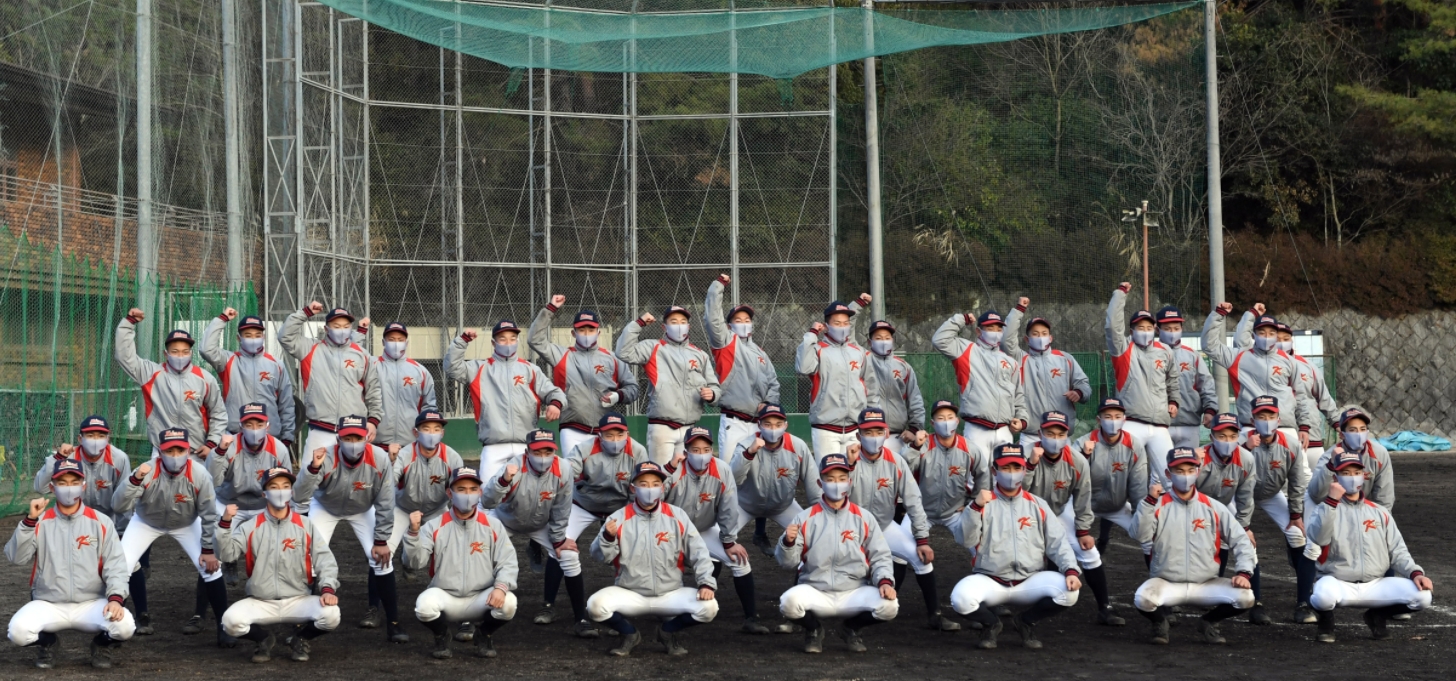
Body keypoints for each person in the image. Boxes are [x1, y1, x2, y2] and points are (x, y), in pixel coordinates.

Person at [6, 460, 134, 669]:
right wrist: (29, 520)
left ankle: (101, 645)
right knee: (17, 632)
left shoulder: (101, 522)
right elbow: (16, 558)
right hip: (49, 603)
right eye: (62, 482)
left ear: (83, 485)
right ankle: (49, 642)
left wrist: (116, 599)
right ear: (52, 487)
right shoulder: (40, 522)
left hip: (92, 603)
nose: (68, 487)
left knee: (126, 626)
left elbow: (116, 565)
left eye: (74, 482)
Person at [952, 444, 1081, 649]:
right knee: (960, 598)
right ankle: (992, 624)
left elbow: (1057, 541)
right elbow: (965, 540)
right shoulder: (981, 504)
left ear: (1024, 469)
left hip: (1029, 581)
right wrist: (975, 507)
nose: (1012, 473)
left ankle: (1025, 621)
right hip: (991, 580)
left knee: (1069, 592)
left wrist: (1070, 570)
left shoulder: (1037, 504)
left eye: (1017, 467)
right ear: (995, 470)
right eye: (1006, 468)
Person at [833, 408, 951, 631]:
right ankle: (802, 620)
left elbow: (914, 500)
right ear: (858, 436)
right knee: (811, 559)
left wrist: (922, 539)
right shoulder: (848, 461)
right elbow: (832, 496)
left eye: (879, 431)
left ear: (887, 433)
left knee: (922, 559)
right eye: (868, 432)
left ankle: (934, 614)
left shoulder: (896, 461)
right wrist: (848, 467)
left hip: (884, 527)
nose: (874, 436)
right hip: (848, 529)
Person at [587, 461, 719, 657]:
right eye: (644, 484)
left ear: (662, 487)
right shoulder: (618, 518)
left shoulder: (677, 516)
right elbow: (599, 556)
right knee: (595, 606)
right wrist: (606, 538)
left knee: (709, 608)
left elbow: (699, 552)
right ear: (633, 487)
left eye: (655, 483)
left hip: (670, 592)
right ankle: (630, 634)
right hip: (630, 592)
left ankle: (667, 632)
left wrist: (706, 583)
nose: (650, 489)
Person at [663, 427, 787, 634]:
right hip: (670, 533)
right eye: (695, 449)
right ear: (685, 451)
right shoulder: (673, 470)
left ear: (712, 449)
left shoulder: (721, 469)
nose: (701, 454)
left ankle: (750, 618)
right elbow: (652, 500)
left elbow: (729, 507)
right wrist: (666, 470)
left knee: (740, 560)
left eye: (705, 449)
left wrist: (729, 541)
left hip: (702, 530)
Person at [293, 415, 404, 642]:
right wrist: (313, 468)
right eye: (347, 437)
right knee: (309, 559)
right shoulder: (324, 455)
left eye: (358, 437)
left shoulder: (380, 458)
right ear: (338, 438)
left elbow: (385, 502)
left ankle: (393, 623)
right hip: (325, 506)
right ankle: (301, 620)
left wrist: (382, 540)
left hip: (362, 508)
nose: (353, 442)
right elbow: (299, 496)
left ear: (367, 437)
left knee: (382, 559)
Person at [113, 428, 229, 645]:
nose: (175, 456)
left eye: (180, 450)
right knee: (121, 567)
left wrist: (207, 549)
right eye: (169, 450)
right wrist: (134, 481)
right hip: (146, 522)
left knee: (212, 567)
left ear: (188, 450)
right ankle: (112, 626)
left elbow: (209, 514)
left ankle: (224, 626)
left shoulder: (200, 473)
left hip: (187, 522)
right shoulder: (146, 470)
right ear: (159, 451)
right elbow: (117, 505)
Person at [776, 453, 899, 654]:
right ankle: (814, 630)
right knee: (788, 603)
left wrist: (885, 581)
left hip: (854, 591)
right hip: (816, 590)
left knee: (889, 606)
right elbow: (787, 564)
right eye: (830, 479)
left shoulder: (864, 517)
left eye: (842, 479)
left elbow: (880, 555)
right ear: (820, 482)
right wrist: (787, 542)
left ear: (849, 482)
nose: (836, 484)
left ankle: (851, 628)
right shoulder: (804, 518)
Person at [1133, 448, 1256, 645]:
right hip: (1167, 583)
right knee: (1143, 599)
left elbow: (1241, 540)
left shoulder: (1213, 507)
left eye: (1190, 470)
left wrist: (1243, 572)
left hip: (1206, 584)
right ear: (1168, 474)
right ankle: (1160, 622)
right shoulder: (1155, 505)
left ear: (1198, 471)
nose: (1185, 476)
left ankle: (1208, 622)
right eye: (1179, 471)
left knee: (1245, 598)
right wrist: (1148, 502)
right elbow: (1139, 535)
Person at [1307, 451, 1433, 643]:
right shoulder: (1324, 509)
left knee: (1423, 597)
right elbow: (1318, 538)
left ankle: (1377, 616)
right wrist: (1331, 502)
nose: (1352, 477)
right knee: (1322, 596)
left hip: (1376, 584)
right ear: (1335, 477)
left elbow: (1397, 550)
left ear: (1363, 475)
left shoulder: (1379, 512)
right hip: (1339, 582)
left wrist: (1415, 573)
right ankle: (1326, 623)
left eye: (1356, 472)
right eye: (1345, 473)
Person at [216, 467, 339, 663]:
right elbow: (226, 554)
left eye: (285, 486)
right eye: (274, 486)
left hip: (298, 599)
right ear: (264, 493)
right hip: (261, 600)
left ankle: (300, 639)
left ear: (291, 491)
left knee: (332, 615)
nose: (280, 491)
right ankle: (264, 639)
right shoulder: (251, 525)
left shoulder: (305, 524)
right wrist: (224, 523)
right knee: (230, 622)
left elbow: (325, 559)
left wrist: (327, 589)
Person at [546, 413, 649, 636]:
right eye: (608, 435)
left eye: (619, 434)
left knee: (630, 550)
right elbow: (566, 473)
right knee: (560, 549)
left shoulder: (638, 451)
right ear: (599, 435)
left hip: (619, 508)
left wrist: (633, 518)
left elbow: (640, 486)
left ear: (627, 434)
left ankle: (622, 610)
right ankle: (549, 605)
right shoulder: (584, 449)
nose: (614, 439)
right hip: (583, 505)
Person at [406, 466, 519, 659]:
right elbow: (416, 563)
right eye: (461, 489)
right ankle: (442, 635)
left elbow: (508, 562)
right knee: (424, 606)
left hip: (481, 597)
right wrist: (413, 533)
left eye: (472, 489)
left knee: (509, 603)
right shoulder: (434, 525)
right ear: (450, 493)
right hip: (446, 595)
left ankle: (484, 635)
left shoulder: (493, 525)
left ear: (480, 492)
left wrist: (500, 587)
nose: (467, 494)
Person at [1027, 410, 1119, 626]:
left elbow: (1082, 498)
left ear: (1067, 435)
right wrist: (1030, 464)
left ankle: (1104, 608)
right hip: (1026, 515)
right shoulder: (1024, 455)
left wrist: (1083, 530)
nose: (1055, 439)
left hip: (1058, 512)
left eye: (1060, 434)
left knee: (1089, 552)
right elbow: (1015, 491)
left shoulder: (1077, 460)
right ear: (1040, 433)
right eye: (1050, 433)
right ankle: (1000, 600)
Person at [482, 430, 576, 635]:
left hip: (539, 523)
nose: (543, 457)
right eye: (537, 452)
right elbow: (487, 501)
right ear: (527, 451)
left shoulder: (564, 468)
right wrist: (504, 480)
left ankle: (578, 617)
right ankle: (476, 612)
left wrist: (558, 539)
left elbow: (562, 506)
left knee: (568, 555)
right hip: (506, 520)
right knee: (482, 551)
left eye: (548, 452)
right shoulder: (513, 467)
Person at [447, 320, 566, 478]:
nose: (508, 343)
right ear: (493, 343)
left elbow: (553, 392)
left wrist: (555, 404)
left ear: (517, 340)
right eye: (502, 339)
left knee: (524, 495)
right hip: (493, 445)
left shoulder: (530, 369)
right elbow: (452, 367)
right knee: (487, 496)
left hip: (526, 444)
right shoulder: (480, 369)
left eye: (512, 338)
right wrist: (462, 341)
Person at [279, 302, 384, 479]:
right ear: (326, 328)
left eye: (346, 326)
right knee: (309, 481)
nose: (342, 330)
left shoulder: (362, 355)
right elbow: (285, 336)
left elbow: (373, 391)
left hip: (353, 433)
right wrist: (305, 312)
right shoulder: (310, 349)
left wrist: (373, 420)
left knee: (356, 484)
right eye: (336, 326)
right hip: (320, 430)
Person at [529, 295, 640, 456]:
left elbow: (633, 388)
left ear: (598, 332)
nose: (586, 333)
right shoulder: (562, 355)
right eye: (581, 330)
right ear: (573, 333)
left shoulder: (612, 358)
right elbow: (535, 340)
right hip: (572, 429)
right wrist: (550, 309)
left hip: (605, 431)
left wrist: (618, 396)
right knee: (574, 477)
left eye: (591, 329)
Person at [1199, 302, 1316, 453]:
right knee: (1249, 474)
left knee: (1299, 474)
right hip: (1251, 428)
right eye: (1262, 333)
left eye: (1271, 333)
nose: (1267, 337)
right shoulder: (1239, 357)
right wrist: (1218, 314)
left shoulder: (1290, 361)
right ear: (1254, 335)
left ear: (1276, 335)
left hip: (1286, 427)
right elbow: (1209, 345)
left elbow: (1301, 395)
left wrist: (1304, 427)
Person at [1234, 306, 1340, 471]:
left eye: (1286, 338)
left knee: (1313, 484)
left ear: (1292, 340)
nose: (1282, 342)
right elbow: (1240, 341)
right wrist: (1251, 314)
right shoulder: (1256, 362)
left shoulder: (1308, 366)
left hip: (1311, 438)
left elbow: (1323, 398)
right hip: (1282, 433)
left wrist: (1337, 423)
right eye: (1278, 338)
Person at [1244, 395, 1318, 623]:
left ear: (1279, 418)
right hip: (1239, 496)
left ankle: (1305, 602)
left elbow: (1297, 482)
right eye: (1261, 416)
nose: (1266, 420)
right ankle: (1255, 604)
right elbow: (1229, 476)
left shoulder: (1291, 444)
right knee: (1246, 542)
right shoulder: (1238, 441)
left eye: (1271, 416)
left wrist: (1295, 515)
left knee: (1297, 535)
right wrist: (1243, 450)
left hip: (1270, 494)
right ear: (1252, 419)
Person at [115, 310, 228, 456]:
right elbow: (124, 356)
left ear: (191, 353)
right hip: (162, 451)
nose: (180, 356)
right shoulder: (151, 373)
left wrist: (212, 443)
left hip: (196, 452)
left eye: (185, 351)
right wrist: (128, 323)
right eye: (175, 351)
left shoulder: (205, 379)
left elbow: (218, 413)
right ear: (165, 354)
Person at [1075, 400, 1148, 626]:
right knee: (1081, 548)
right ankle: (1103, 607)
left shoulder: (1133, 445)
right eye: (1107, 415)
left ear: (1124, 419)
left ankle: (1164, 595)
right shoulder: (1083, 442)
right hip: (1083, 505)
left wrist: (1141, 516)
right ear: (1098, 420)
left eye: (1118, 415)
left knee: (1151, 538)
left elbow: (1138, 485)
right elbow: (1069, 477)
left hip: (1117, 506)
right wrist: (1083, 456)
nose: (1113, 420)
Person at [616, 306, 720, 464]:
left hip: (690, 428)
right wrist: (638, 323)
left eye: (683, 321)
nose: (679, 325)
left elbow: (715, 387)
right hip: (662, 427)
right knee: (661, 477)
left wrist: (712, 395)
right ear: (664, 326)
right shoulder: (653, 347)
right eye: (673, 321)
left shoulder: (700, 354)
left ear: (689, 326)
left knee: (683, 479)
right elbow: (623, 352)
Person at [208, 403, 293, 588]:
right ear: (240, 426)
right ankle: (228, 562)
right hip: (228, 502)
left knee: (276, 544)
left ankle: (267, 579)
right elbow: (212, 480)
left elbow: (286, 486)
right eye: (249, 425)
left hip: (262, 504)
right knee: (212, 548)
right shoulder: (229, 446)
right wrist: (220, 451)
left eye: (259, 424)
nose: (255, 430)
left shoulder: (278, 449)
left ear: (267, 426)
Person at [932, 308, 1028, 459]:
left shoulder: (1011, 362)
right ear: (978, 331)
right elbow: (939, 340)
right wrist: (961, 319)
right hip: (976, 429)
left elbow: (1018, 395)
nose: (995, 332)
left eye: (999, 329)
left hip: (1004, 430)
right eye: (990, 328)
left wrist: (1022, 419)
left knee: (1003, 478)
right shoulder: (966, 350)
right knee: (976, 478)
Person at [1103, 283, 1178, 474]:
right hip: (1131, 422)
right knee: (1121, 474)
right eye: (1139, 327)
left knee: (1170, 475)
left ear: (1155, 329)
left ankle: (1167, 504)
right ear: (1131, 331)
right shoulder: (1123, 350)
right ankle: (1122, 505)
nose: (1144, 331)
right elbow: (1112, 326)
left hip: (1160, 425)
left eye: (1148, 327)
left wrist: (1174, 401)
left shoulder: (1165, 351)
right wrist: (1120, 294)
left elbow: (1172, 379)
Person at [1192, 414, 1260, 622]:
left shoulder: (1246, 459)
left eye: (1232, 436)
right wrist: (1196, 465)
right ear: (1211, 436)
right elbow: (1185, 490)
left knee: (1248, 545)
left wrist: (1244, 527)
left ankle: (1256, 603)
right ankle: (1169, 604)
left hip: (1222, 507)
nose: (1228, 441)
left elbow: (1245, 498)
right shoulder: (1199, 457)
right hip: (1194, 508)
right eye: (1222, 436)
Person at [703, 274, 781, 457]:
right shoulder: (726, 343)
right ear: (729, 326)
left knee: (756, 476)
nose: (744, 323)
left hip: (759, 424)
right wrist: (718, 286)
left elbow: (773, 383)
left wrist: (768, 404)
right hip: (734, 422)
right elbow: (713, 319)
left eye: (747, 320)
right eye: (738, 320)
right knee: (731, 473)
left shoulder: (761, 353)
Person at [386, 409, 464, 589]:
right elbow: (388, 485)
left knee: (451, 551)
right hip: (402, 508)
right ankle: (375, 608)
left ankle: (448, 595)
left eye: (437, 429)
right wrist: (390, 463)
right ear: (416, 432)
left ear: (442, 433)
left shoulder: (452, 458)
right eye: (426, 428)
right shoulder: (405, 454)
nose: (432, 433)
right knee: (382, 554)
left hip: (437, 509)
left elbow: (459, 490)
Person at [730, 403, 820, 556]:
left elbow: (814, 485)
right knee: (718, 540)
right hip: (744, 505)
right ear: (759, 425)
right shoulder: (746, 445)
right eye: (768, 424)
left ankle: (805, 576)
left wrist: (820, 517)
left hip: (783, 506)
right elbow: (733, 481)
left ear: (786, 425)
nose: (773, 429)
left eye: (778, 424)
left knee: (813, 540)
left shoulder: (798, 446)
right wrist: (749, 453)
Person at [201, 308, 297, 451]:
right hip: (235, 436)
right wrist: (222, 319)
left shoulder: (276, 364)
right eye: (248, 335)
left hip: (269, 437)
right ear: (238, 338)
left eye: (257, 335)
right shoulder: (228, 361)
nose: (253, 339)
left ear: (263, 337)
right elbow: (206, 349)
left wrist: (287, 437)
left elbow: (286, 403)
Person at [1002, 297, 1091, 449]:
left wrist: (1079, 392)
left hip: (1061, 434)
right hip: (1031, 435)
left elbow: (1084, 384)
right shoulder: (1021, 359)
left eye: (1044, 333)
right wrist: (1019, 310)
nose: (1040, 337)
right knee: (1029, 472)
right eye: (1035, 334)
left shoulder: (1065, 359)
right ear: (1027, 339)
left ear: (1050, 337)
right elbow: (1006, 339)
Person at [797, 300, 879, 460]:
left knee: (854, 478)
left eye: (845, 323)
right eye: (837, 323)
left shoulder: (860, 352)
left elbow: (871, 388)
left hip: (856, 428)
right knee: (828, 477)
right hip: (825, 428)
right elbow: (803, 368)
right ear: (827, 325)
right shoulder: (818, 349)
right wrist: (812, 334)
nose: (842, 327)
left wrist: (873, 417)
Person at [906, 400, 990, 551]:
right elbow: (904, 469)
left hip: (955, 512)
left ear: (957, 421)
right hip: (921, 510)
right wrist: (915, 446)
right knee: (901, 551)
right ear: (932, 423)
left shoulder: (969, 448)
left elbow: (983, 476)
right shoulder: (923, 445)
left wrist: (971, 503)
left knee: (979, 547)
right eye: (941, 418)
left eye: (950, 417)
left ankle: (983, 574)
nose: (946, 422)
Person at [32, 416, 131, 531]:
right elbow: (41, 488)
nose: (95, 440)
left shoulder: (119, 459)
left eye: (101, 436)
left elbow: (125, 497)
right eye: (90, 435)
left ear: (107, 439)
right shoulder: (69, 458)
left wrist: (121, 531)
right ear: (80, 439)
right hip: (72, 522)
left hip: (107, 522)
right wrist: (58, 458)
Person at [1306, 407, 1394, 511]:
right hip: (1334, 509)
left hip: (1364, 508)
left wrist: (1381, 521)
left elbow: (1384, 496)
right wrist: (1330, 466)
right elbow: (1316, 495)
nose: (1359, 434)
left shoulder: (1380, 454)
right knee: (1308, 500)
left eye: (1362, 429)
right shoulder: (1330, 456)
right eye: (1352, 430)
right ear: (1342, 435)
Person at [369, 322, 438, 455]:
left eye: (400, 340)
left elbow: (429, 407)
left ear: (406, 342)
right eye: (391, 339)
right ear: (383, 342)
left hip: (409, 444)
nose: (396, 343)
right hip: (375, 442)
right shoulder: (371, 366)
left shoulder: (420, 371)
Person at [1154, 306, 1218, 450]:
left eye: (1176, 328)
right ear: (1158, 330)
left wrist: (1210, 410)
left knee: (1188, 470)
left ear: (1182, 328)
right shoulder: (1150, 355)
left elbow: (1206, 386)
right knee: (1161, 470)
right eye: (1167, 328)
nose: (1172, 332)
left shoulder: (1193, 355)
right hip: (1160, 424)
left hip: (1190, 423)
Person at [859, 320, 926, 455]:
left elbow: (915, 400)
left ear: (893, 340)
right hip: (868, 434)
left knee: (899, 474)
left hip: (898, 436)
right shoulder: (862, 362)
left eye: (887, 338)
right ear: (869, 342)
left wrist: (914, 429)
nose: (883, 341)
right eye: (878, 338)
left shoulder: (903, 366)